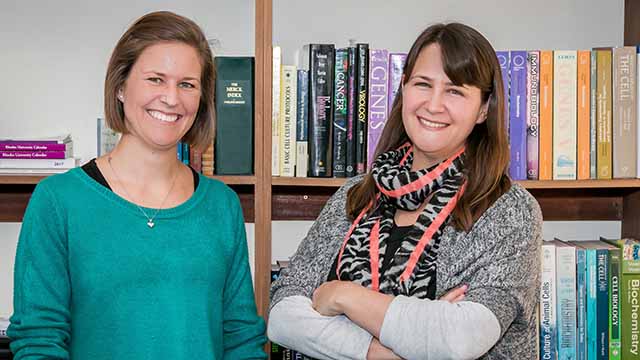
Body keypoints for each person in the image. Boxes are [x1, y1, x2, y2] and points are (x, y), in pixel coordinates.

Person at [268, 22, 542, 360]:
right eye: (423, 84)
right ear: (404, 90)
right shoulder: (355, 194)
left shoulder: (507, 209)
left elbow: (459, 339)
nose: (434, 104)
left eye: (455, 91)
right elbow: (282, 311)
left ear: (484, 108)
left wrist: (343, 297)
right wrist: (374, 350)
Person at [8, 11, 266, 360]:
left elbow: (241, 341)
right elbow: (39, 341)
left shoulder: (222, 205)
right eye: (156, 79)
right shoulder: (58, 202)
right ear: (120, 86)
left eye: (187, 84)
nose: (172, 98)